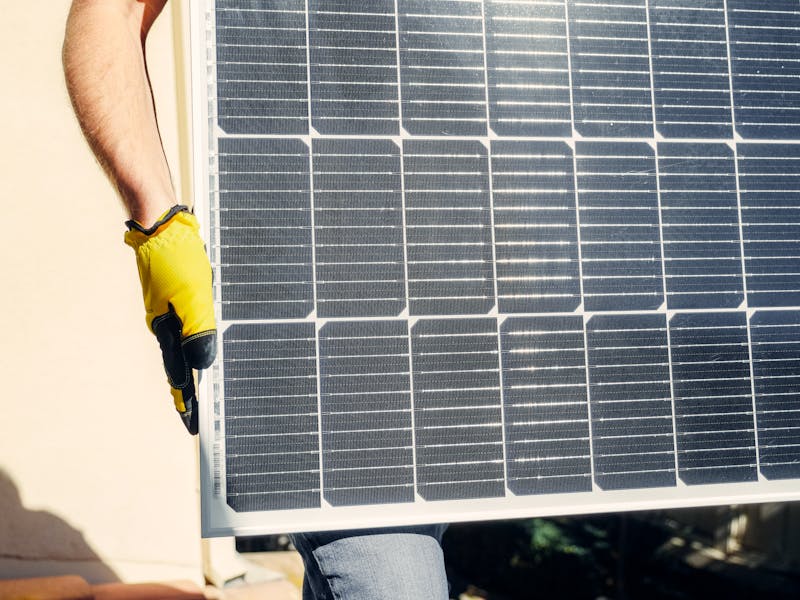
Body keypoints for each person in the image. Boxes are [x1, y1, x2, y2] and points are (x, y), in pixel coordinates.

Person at [61, 1, 450, 598]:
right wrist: (158, 223)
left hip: (463, 312)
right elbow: (109, 11)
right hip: (331, 334)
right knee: (398, 582)